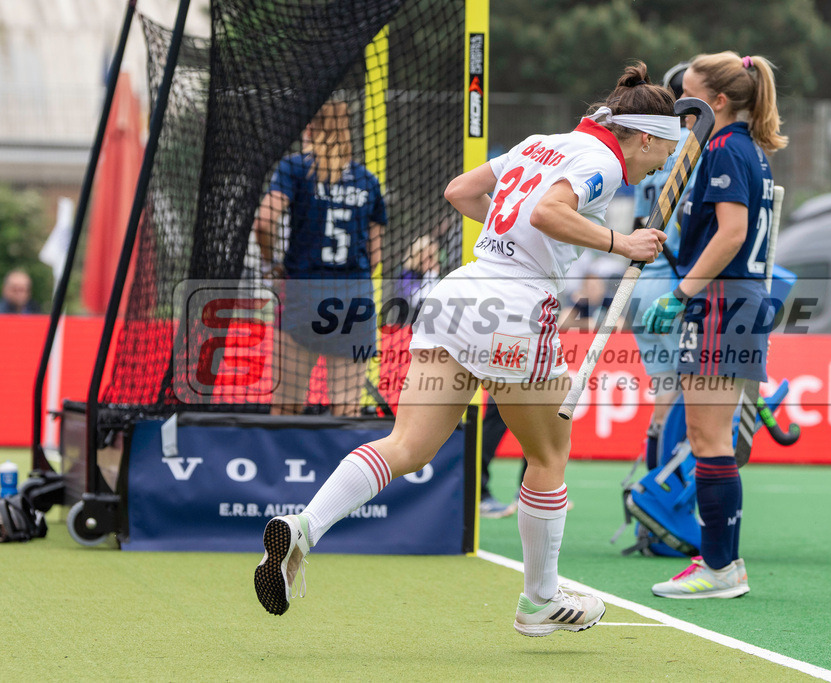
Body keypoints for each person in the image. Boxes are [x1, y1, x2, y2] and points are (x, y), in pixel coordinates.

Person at [254, 62, 678, 635]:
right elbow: (548, 212)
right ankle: (539, 601)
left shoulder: (540, 143)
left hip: (460, 290)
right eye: (664, 151)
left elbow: (461, 192)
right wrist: (618, 240)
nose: (664, 164)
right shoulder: (602, 161)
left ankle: (305, 526)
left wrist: (523, 235)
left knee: (406, 445)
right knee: (548, 458)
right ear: (648, 136)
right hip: (516, 305)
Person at [641, 52, 788, 598]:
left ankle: (720, 568)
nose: (680, 105)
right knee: (711, 437)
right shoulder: (739, 146)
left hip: (723, 303)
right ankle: (722, 563)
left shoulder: (727, 147)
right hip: (732, 301)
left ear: (717, 102)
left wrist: (681, 293)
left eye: (689, 96)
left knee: (708, 437)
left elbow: (731, 233)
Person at [253, 100, 386, 417]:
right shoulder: (366, 180)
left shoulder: (296, 169)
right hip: (354, 301)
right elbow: (377, 256)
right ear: (346, 130)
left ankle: (285, 468)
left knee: (286, 408)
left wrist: (271, 264)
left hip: (305, 294)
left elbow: (264, 221)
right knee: (346, 411)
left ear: (310, 130)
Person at [630, 60, 698, 470]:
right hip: (673, 286)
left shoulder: (653, 144)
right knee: (688, 400)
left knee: (666, 393)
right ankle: (661, 496)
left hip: (640, 283)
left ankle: (650, 487)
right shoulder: (693, 145)